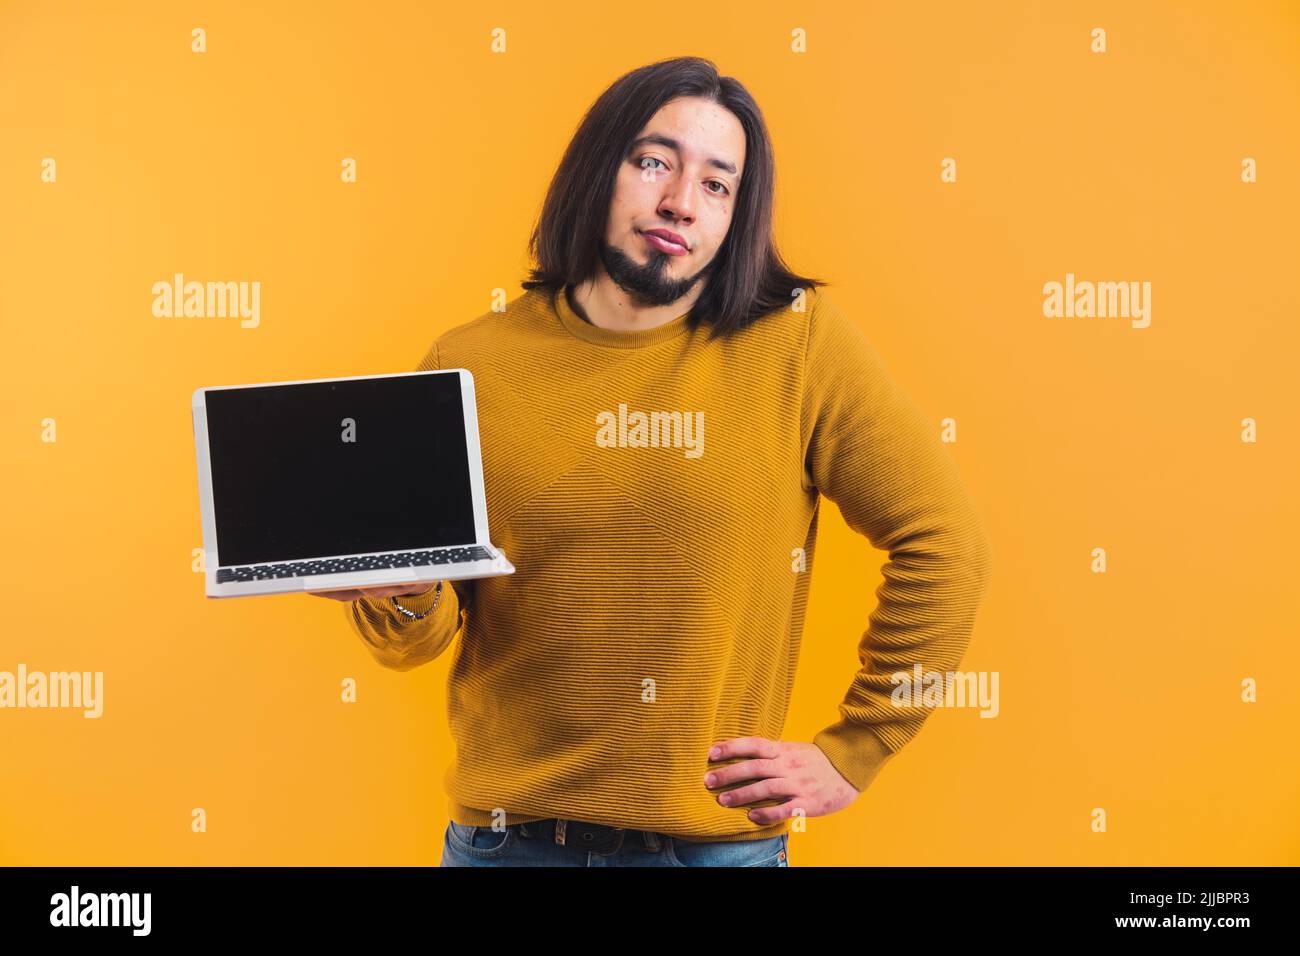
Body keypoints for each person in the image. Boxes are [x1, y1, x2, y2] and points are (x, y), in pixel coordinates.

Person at [312, 56, 993, 867]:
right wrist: (408, 587)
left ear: (737, 215)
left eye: (717, 184)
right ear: (598, 169)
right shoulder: (470, 364)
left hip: (710, 853)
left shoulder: (799, 346)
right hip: (504, 846)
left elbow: (947, 542)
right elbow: (414, 641)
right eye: (654, 162)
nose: (679, 202)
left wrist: (859, 749)